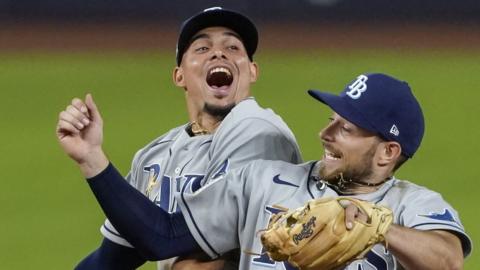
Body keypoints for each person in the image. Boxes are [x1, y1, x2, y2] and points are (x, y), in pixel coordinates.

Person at [65, 72, 472, 269]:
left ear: (387, 152)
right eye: (330, 119)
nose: (324, 134)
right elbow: (161, 236)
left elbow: (449, 261)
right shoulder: (259, 181)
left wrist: (380, 226)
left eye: (345, 128)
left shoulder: (411, 204)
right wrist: (92, 160)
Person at [56, 7, 302, 269]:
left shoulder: (259, 132)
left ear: (252, 71)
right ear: (179, 76)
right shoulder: (155, 156)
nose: (218, 52)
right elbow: (110, 260)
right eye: (201, 48)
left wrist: (94, 163)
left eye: (232, 47)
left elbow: (168, 240)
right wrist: (90, 156)